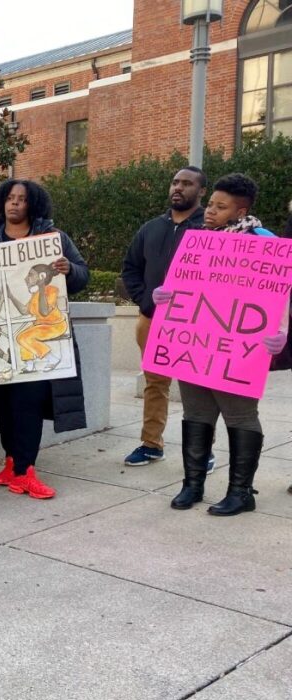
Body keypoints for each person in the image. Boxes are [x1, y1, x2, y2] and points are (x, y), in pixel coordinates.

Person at [0, 179, 89, 500]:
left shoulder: (53, 239)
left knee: (30, 403)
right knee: (6, 404)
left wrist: (70, 271)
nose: (14, 204)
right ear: (2, 202)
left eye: (21, 199)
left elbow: (83, 274)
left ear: (32, 204)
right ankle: (12, 463)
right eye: (10, 198)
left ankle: (25, 471)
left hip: (35, 338)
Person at [152, 173, 287, 516]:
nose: (210, 211)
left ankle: (241, 492)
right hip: (196, 346)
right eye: (210, 203)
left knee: (240, 415)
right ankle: (192, 485)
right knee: (196, 413)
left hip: (241, 351)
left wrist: (283, 332)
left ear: (240, 212)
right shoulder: (198, 242)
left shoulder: (266, 242)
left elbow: (282, 296)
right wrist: (163, 296)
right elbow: (177, 287)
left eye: (220, 206)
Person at [121, 167, 208, 468]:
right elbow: (130, 268)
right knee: (155, 383)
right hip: (151, 320)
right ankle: (150, 444)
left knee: (196, 390)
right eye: (175, 182)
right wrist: (146, 299)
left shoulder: (210, 230)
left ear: (201, 192)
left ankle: (201, 451)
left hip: (195, 325)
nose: (178, 188)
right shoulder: (150, 228)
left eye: (187, 183)